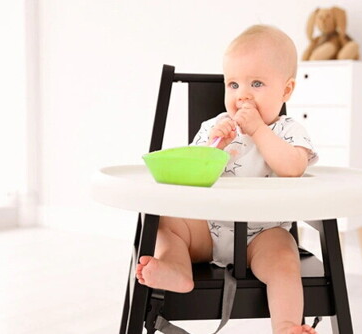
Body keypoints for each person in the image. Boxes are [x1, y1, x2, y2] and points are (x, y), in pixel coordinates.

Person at [136, 24, 318, 334]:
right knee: (165, 220)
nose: (242, 95)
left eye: (256, 83)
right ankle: (177, 267)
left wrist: (259, 131)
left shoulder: (287, 131)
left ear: (286, 90)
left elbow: (293, 167)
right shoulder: (215, 126)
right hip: (208, 229)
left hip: (262, 235)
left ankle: (286, 325)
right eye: (233, 84)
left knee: (285, 259)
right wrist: (213, 148)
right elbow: (189, 177)